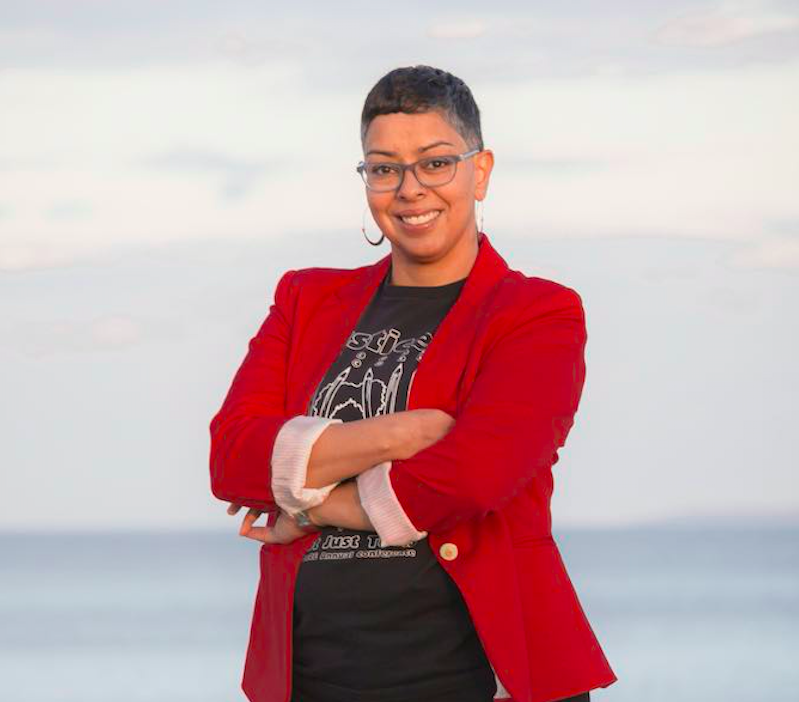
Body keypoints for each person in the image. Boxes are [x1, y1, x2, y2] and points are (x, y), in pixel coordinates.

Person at [210, 65, 617, 702]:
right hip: (314, 679)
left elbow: (475, 475)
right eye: (383, 168)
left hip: (477, 677)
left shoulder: (537, 312)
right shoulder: (304, 298)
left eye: (434, 163)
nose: (408, 189)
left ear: (479, 172)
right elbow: (232, 458)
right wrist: (398, 433)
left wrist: (313, 504)